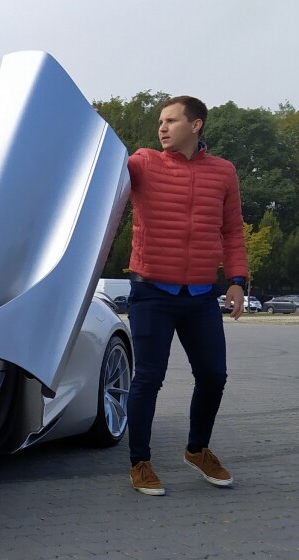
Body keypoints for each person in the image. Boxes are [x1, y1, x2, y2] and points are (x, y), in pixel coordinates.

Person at [124, 96, 248, 496]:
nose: (162, 128)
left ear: (196, 125)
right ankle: (140, 462)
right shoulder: (142, 162)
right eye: (160, 121)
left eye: (171, 121)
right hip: (151, 293)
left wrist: (237, 280)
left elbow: (232, 232)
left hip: (199, 296)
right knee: (148, 378)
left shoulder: (224, 172)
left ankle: (197, 449)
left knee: (214, 376)